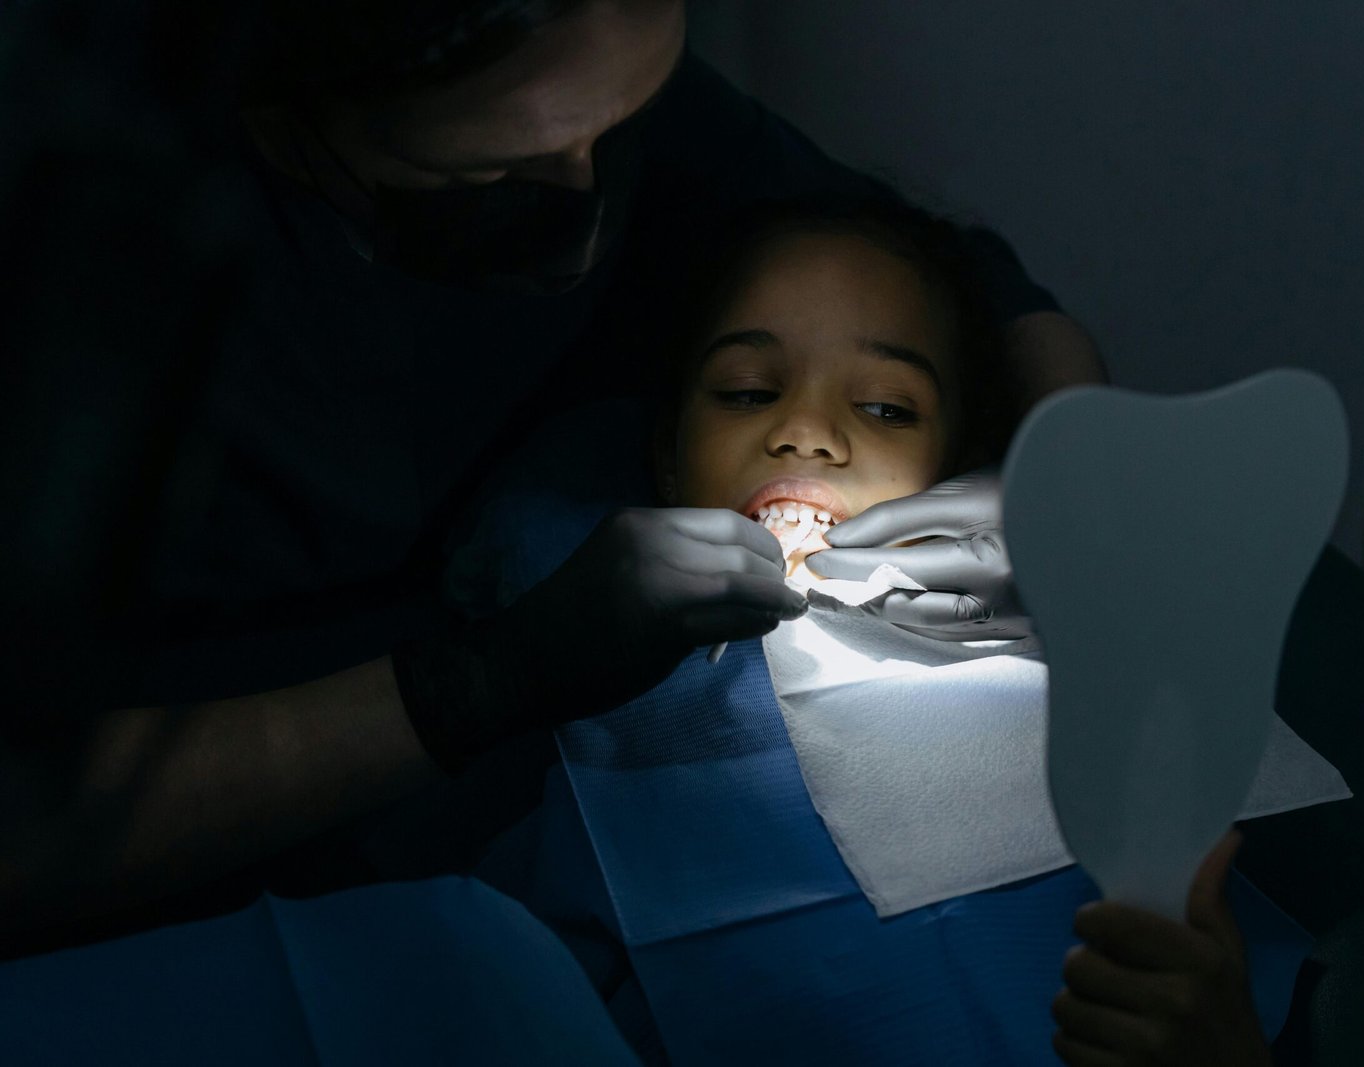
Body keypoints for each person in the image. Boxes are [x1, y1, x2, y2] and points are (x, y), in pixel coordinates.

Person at [0, 0, 1105, 956]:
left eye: (620, 125)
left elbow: (972, 284)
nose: (587, 193)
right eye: (495, 169)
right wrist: (473, 683)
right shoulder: (94, 259)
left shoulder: (580, 77)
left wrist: (1045, 471)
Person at [452, 196, 1278, 1064]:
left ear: (958, 469)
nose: (805, 432)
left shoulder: (1062, 657)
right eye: (746, 392)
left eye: (887, 407)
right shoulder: (599, 663)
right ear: (664, 452)